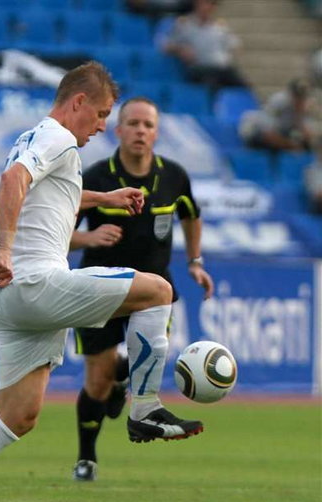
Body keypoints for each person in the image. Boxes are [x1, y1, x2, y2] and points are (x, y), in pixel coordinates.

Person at [0, 62, 203, 502]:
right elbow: (11, 181)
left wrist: (105, 198)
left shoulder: (46, 142)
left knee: (19, 415)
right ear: (77, 102)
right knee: (159, 290)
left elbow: (50, 196)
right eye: (100, 114)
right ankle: (144, 408)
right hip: (34, 283)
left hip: (15, 300)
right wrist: (4, 250)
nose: (102, 126)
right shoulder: (55, 136)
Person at [68, 97, 214, 482]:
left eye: (147, 125)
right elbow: (55, 233)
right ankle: (86, 457)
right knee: (98, 381)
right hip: (98, 292)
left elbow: (191, 216)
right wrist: (89, 236)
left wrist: (195, 262)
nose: (140, 130)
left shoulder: (174, 177)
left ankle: (125, 378)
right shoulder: (97, 177)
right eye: (132, 123)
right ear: (118, 130)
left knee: (143, 367)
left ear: (156, 132)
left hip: (151, 297)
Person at [162, 0, 245, 91]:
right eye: (206, 3)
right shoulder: (185, 24)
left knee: (240, 83)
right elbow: (167, 46)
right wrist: (180, 49)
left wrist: (233, 52)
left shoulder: (220, 26)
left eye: (212, 4)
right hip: (200, 67)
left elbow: (234, 44)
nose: (209, 7)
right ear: (198, 4)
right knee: (211, 83)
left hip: (221, 68)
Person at [240, 78, 316, 152]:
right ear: (290, 94)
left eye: (302, 97)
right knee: (270, 144)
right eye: (297, 97)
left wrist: (299, 115)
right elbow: (267, 134)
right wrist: (290, 145)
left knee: (305, 145)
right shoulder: (278, 102)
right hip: (256, 131)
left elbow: (309, 136)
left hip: (281, 133)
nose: (299, 100)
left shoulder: (305, 105)